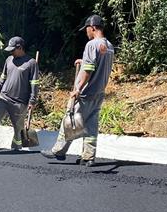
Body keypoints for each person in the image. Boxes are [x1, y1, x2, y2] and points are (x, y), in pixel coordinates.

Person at [42, 14, 114, 165]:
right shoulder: (109, 47)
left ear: (92, 28)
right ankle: (88, 157)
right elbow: (97, 64)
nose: (86, 32)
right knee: (91, 125)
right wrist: (83, 61)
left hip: (86, 93)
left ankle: (59, 151)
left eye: (86, 29)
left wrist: (78, 88)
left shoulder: (92, 45)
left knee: (70, 119)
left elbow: (88, 70)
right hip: (99, 92)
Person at [0, 36, 39, 150]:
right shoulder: (9, 60)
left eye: (13, 50)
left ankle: (16, 148)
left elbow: (34, 83)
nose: (11, 53)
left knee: (18, 129)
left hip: (19, 103)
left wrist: (32, 101)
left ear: (20, 48)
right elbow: (3, 77)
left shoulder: (31, 63)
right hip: (3, 97)